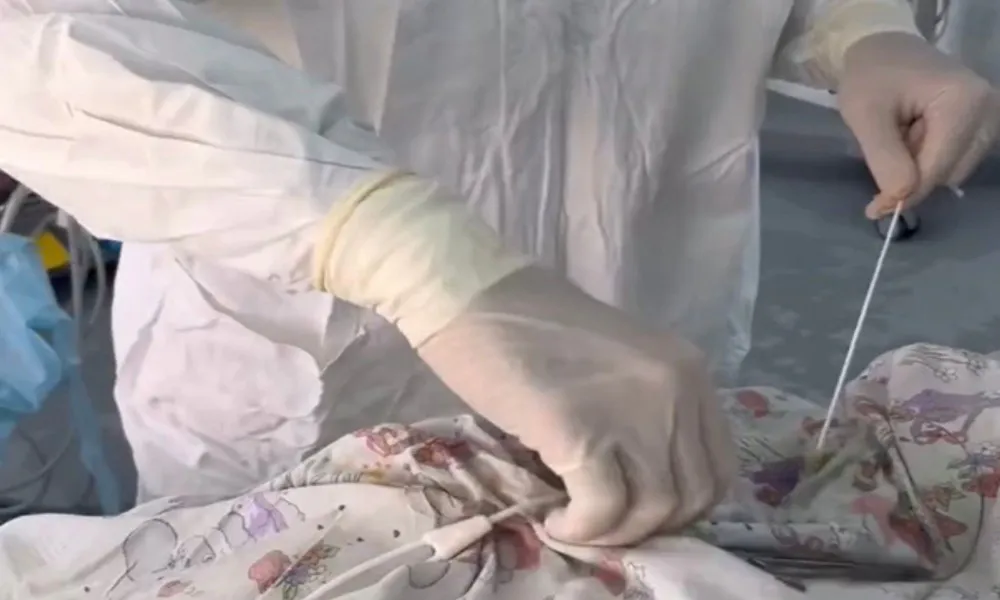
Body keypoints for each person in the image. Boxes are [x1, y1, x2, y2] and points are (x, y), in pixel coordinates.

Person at [0, 0, 996, 546]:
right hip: (291, 320)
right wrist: (400, 243)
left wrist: (860, 28)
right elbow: (35, 33)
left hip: (646, 295)